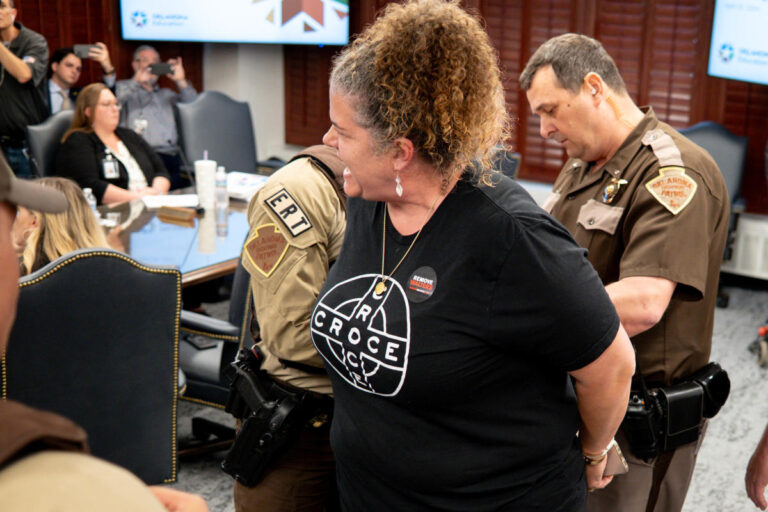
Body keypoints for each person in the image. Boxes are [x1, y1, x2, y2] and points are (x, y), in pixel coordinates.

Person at [312, 1, 635, 510]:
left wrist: (594, 453)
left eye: (342, 132)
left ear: (400, 152)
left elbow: (611, 364)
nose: (327, 141)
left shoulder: (512, 239)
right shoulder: (370, 202)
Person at [520, 33, 730, 512]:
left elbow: (642, 304)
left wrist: (521, 316)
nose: (545, 130)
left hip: (637, 425)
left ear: (594, 87)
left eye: (551, 110)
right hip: (577, 396)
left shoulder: (673, 173)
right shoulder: (582, 167)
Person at [0, 148, 208, 512]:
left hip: (36, 447)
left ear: (32, 224)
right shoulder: (140, 280)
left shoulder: (23, 292)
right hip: (129, 433)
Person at [234, 144, 345, 512]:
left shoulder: (417, 185)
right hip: (300, 426)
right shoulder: (301, 190)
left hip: (369, 422)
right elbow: (296, 337)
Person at [54, 82, 171, 205]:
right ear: (88, 111)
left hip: (150, 205)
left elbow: (161, 171)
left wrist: (156, 193)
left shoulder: (129, 135)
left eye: (116, 104)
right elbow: (92, 186)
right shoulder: (78, 141)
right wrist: (138, 197)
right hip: (113, 211)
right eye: (106, 105)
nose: (115, 109)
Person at [116, 44, 197, 188]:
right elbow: (114, 102)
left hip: (170, 155)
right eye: (145, 60)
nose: (151, 64)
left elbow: (193, 105)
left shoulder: (167, 94)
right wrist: (136, 81)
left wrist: (180, 81)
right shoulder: (123, 88)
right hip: (138, 156)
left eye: (155, 61)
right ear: (135, 65)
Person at [11, 176, 109, 275]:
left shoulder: (16, 276)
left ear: (34, 221)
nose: (14, 219)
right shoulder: (112, 265)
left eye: (18, 212)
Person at [0, 0, 48, 177]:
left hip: (24, 144)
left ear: (13, 12)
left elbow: (24, 74)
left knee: (29, 202)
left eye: (1, 5)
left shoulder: (34, 41)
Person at [48, 44, 116, 114]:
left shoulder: (80, 94)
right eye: (69, 65)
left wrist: (108, 68)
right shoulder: (39, 92)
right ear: (55, 66)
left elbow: (107, 96)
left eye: (78, 69)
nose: (74, 71)